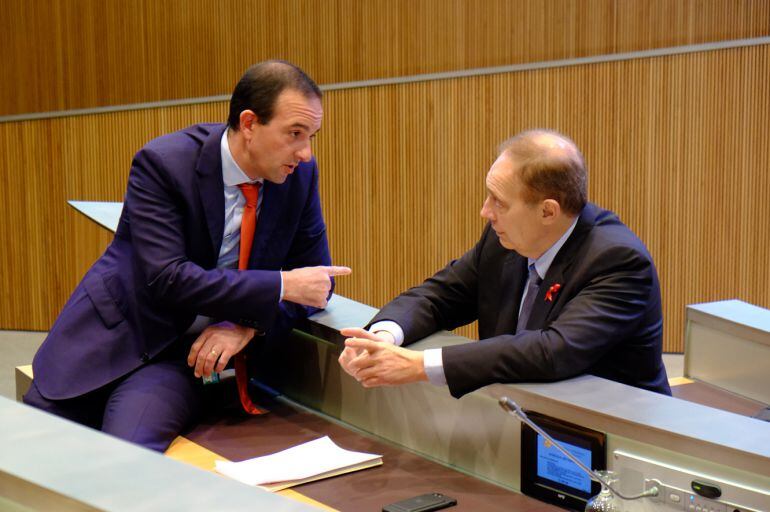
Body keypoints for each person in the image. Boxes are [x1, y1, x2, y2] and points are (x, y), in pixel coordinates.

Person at [25, 60, 351, 451]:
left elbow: (316, 285)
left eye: (312, 136)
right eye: (295, 134)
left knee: (127, 459)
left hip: (183, 355)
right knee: (31, 456)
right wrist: (280, 285)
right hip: (115, 332)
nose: (306, 153)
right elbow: (168, 277)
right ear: (249, 124)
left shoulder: (298, 179)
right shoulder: (165, 163)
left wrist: (247, 326)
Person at [339, 129, 670, 398]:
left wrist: (420, 365)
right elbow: (441, 296)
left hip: (617, 442)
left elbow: (552, 350)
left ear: (548, 211)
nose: (486, 211)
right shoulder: (504, 241)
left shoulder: (618, 262)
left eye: (499, 201)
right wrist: (384, 337)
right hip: (524, 426)